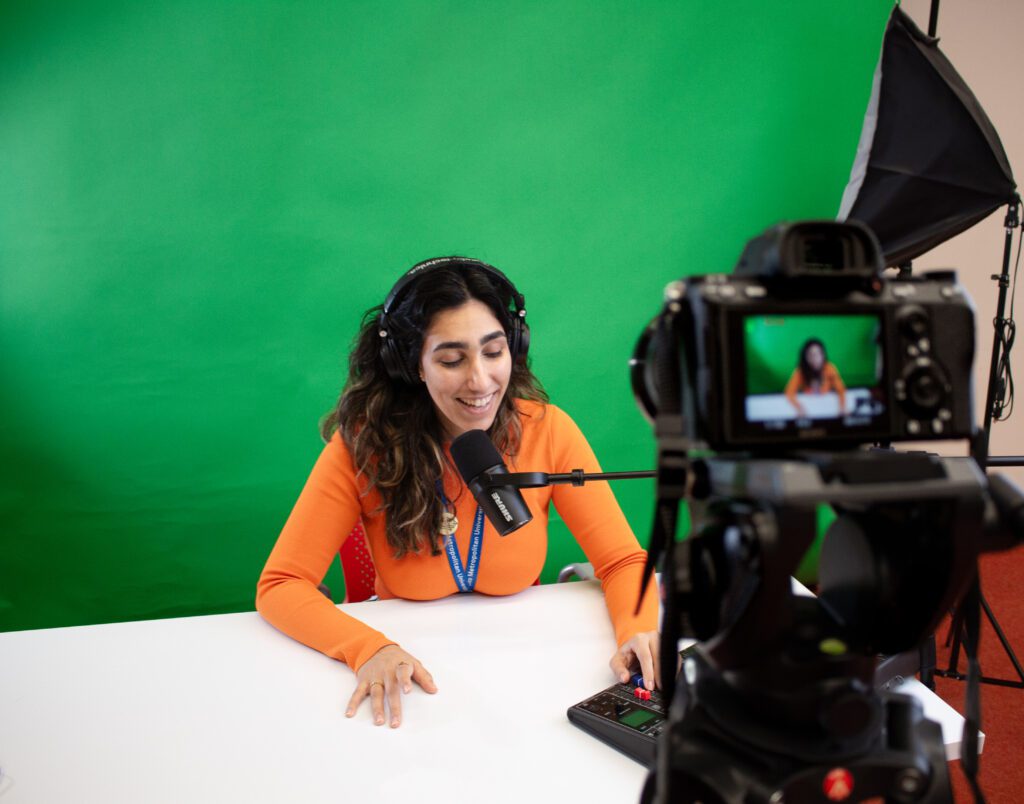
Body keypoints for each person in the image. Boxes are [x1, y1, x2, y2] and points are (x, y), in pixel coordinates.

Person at [256, 256, 660, 729]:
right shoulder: (363, 447)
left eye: (493, 352)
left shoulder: (547, 431)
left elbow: (622, 560)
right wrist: (368, 648)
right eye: (451, 359)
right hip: (412, 693)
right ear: (413, 366)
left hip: (521, 683)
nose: (480, 380)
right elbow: (281, 584)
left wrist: (638, 629)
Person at [784, 337, 847, 418]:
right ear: (805, 357)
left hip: (827, 403)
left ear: (823, 355)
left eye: (818, 354)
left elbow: (841, 389)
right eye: (811, 355)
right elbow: (789, 392)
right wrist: (799, 408)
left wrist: (842, 407)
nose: (815, 358)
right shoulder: (800, 371)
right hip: (809, 404)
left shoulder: (830, 368)